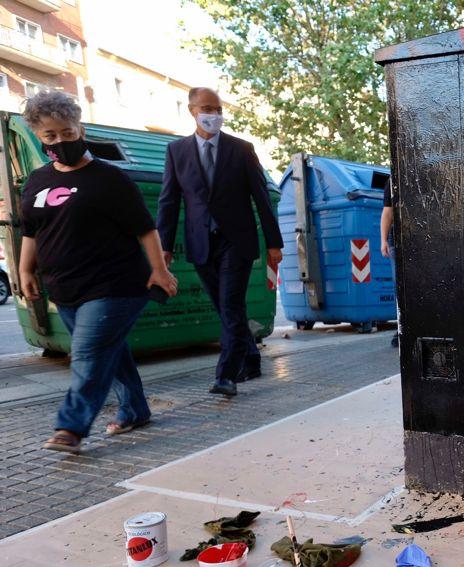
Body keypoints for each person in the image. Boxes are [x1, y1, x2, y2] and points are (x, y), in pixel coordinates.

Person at [18, 90, 178, 454]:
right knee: (110, 350)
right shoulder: (37, 180)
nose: (61, 141)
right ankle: (135, 410)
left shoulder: (109, 178)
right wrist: (26, 270)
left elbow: (146, 229)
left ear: (81, 130)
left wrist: (159, 271)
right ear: (39, 136)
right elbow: (31, 231)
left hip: (115, 284)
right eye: (50, 135)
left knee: (88, 353)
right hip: (65, 287)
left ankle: (70, 427)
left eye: (68, 132)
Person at [157, 87, 283, 397]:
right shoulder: (176, 151)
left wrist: (273, 243)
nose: (213, 114)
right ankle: (250, 358)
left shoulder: (241, 149)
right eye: (206, 108)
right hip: (201, 243)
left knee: (230, 304)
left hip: (236, 241)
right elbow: (169, 201)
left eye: (217, 109)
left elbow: (261, 197)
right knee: (226, 308)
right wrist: (164, 247)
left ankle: (226, 375)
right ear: (192, 111)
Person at [379, 177, 398, 347]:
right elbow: (388, 211)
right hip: (398, 238)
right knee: (400, 285)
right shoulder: (392, 180)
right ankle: (402, 328)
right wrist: (383, 240)